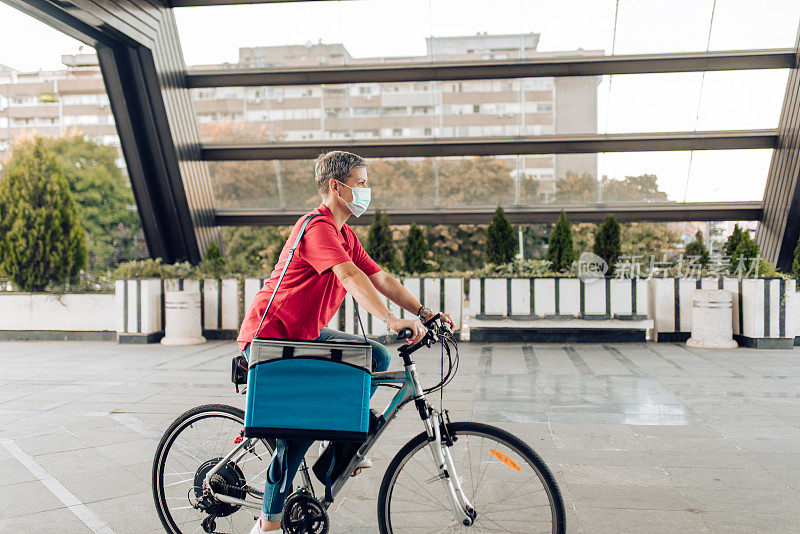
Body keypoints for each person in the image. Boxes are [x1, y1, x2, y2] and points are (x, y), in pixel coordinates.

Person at [236, 150, 454, 534]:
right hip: (272, 336)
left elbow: (380, 278)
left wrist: (423, 313)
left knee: (376, 355)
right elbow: (351, 277)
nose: (367, 190)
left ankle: (335, 445)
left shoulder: (344, 234)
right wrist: (389, 318)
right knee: (297, 433)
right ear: (336, 187)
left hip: (305, 334)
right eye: (362, 182)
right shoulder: (316, 228)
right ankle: (268, 524)